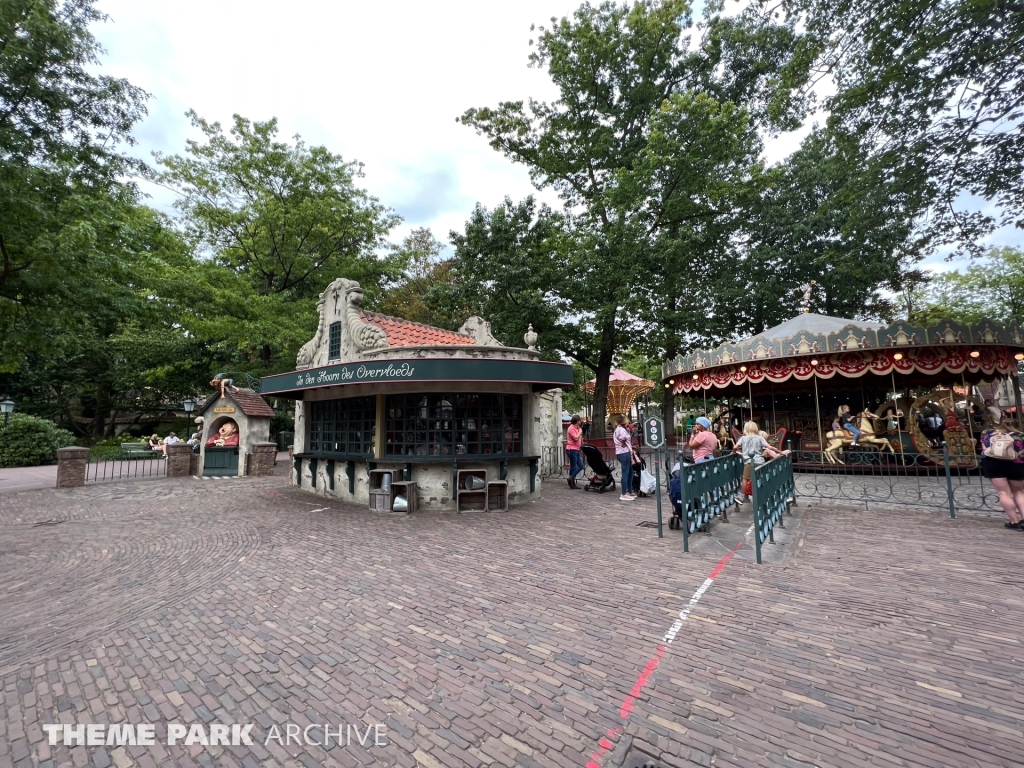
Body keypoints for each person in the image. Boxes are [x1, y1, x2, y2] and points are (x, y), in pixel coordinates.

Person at [979, 418, 1024, 529]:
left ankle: (1014, 522)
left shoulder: (987, 433)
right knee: (1018, 492)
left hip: (993, 464)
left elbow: (984, 448)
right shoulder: (1020, 435)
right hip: (1015, 464)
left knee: (1003, 492)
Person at [734, 422, 768, 503]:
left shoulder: (743, 438)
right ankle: (763, 495)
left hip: (749, 461)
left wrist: (735, 451)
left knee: (745, 479)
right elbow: (767, 447)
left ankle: (741, 497)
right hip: (760, 461)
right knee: (760, 478)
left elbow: (735, 447)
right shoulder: (760, 438)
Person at [613, 415, 636, 501]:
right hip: (624, 452)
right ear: (623, 421)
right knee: (626, 472)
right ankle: (624, 493)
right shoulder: (621, 430)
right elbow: (624, 437)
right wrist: (624, 440)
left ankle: (629, 491)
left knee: (630, 472)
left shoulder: (618, 429)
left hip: (623, 452)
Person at [565, 415, 584, 490]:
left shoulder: (577, 428)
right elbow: (575, 438)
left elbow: (579, 437)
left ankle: (571, 478)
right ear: (577, 421)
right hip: (571, 449)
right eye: (579, 420)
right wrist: (580, 431)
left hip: (576, 449)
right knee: (573, 466)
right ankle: (572, 482)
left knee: (581, 465)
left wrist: (582, 443)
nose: (580, 421)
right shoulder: (571, 428)